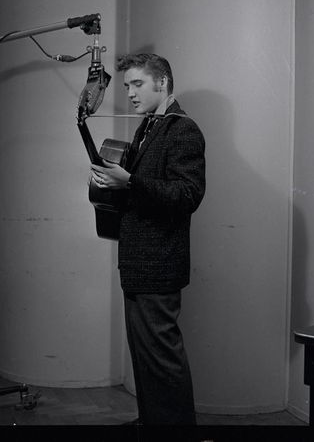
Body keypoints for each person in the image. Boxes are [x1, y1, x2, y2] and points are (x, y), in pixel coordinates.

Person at [90, 53, 206, 427]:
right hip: (139, 264)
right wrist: (113, 184)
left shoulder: (182, 129)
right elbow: (143, 192)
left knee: (163, 360)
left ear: (163, 83)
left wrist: (130, 181)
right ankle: (152, 425)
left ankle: (174, 432)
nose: (130, 94)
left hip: (158, 266)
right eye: (126, 86)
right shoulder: (148, 128)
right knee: (145, 358)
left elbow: (187, 196)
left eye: (138, 84)